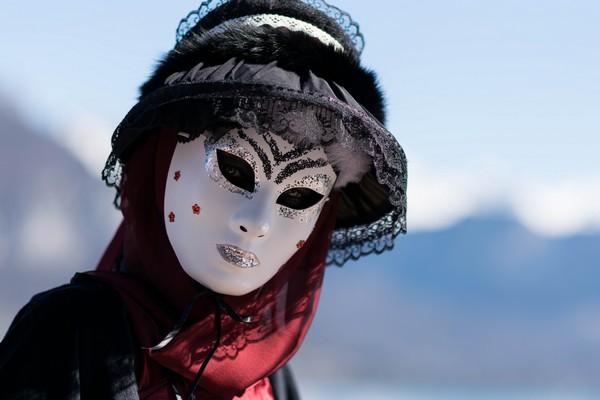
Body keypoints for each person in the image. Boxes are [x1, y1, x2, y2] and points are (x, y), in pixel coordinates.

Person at [0, 0, 407, 398]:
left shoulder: (269, 379)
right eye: (234, 169)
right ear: (160, 161)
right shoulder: (69, 334)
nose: (258, 222)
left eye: (300, 195)